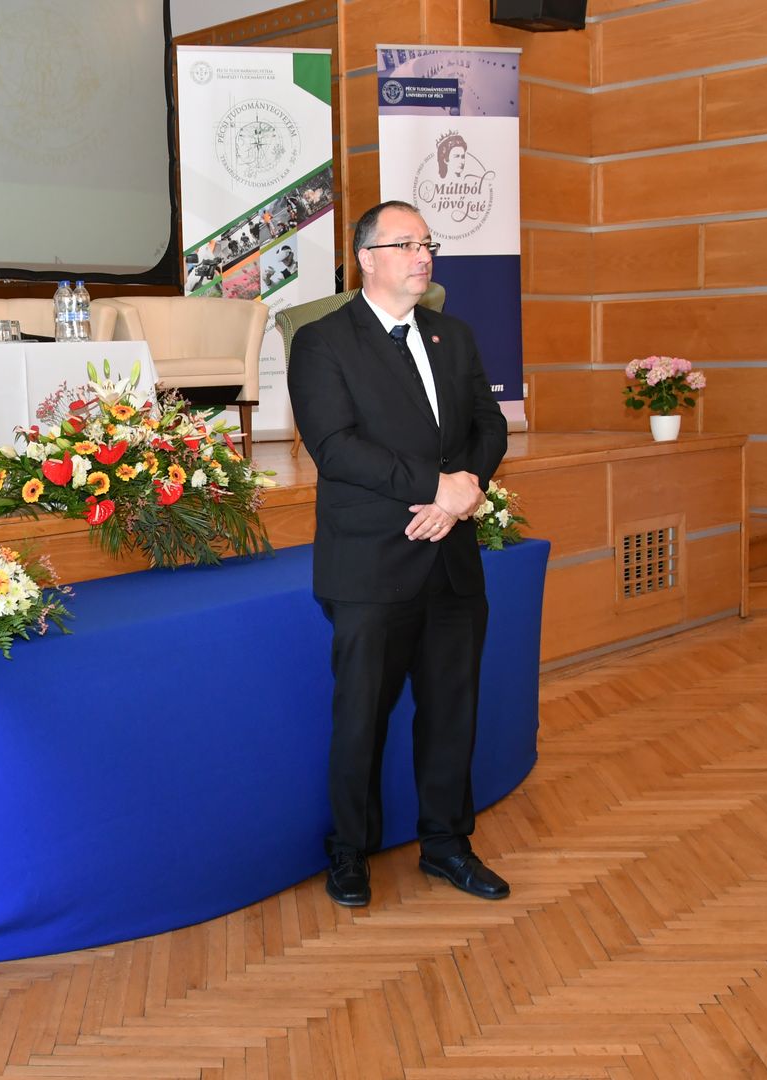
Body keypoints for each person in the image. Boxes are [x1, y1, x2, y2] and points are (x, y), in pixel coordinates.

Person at [286, 201, 509, 908]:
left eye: (427, 243)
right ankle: (350, 851)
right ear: (366, 258)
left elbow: (489, 426)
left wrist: (461, 495)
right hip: (370, 564)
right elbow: (335, 446)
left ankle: (447, 845)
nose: (423, 256)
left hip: (450, 557)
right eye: (406, 244)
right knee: (362, 718)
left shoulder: (453, 335)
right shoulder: (323, 342)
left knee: (451, 712)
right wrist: (435, 487)